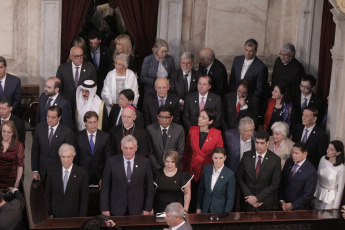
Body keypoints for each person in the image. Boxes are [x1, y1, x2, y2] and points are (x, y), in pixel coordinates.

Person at [100, 135, 154, 216]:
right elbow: (105, 187)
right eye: (125, 148)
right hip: (116, 209)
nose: (128, 151)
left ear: (136, 148)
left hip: (137, 209)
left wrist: (147, 208)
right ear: (121, 147)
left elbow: (150, 187)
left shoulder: (145, 163)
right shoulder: (111, 162)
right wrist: (104, 209)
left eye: (131, 148)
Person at [181, 108, 223, 212]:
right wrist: (183, 168)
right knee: (191, 196)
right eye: (200, 116)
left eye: (203, 118)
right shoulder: (192, 130)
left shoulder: (217, 134)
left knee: (203, 198)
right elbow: (187, 150)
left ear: (210, 121)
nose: (200, 119)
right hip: (192, 169)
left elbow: (219, 155)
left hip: (207, 170)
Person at [236, 130, 281, 211]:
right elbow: (239, 177)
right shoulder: (246, 156)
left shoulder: (275, 160)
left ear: (267, 143)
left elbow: (275, 184)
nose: (258, 146)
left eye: (262, 143)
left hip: (264, 203)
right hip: (247, 201)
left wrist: (257, 198)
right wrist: (249, 196)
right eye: (257, 142)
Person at [31, 105, 75, 183]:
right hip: (42, 171)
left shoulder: (67, 132)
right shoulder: (39, 127)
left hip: (59, 172)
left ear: (59, 118)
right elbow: (35, 150)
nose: (49, 120)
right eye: (48, 116)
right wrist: (35, 170)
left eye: (53, 117)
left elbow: (70, 155)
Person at [45, 143, 89, 217]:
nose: (66, 160)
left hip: (74, 216)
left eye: (69, 157)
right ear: (60, 156)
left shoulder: (82, 173)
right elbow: (48, 194)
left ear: (73, 156)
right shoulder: (52, 171)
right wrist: (48, 213)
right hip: (55, 215)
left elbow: (84, 199)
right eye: (63, 157)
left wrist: (82, 218)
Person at [56, 46, 97, 115]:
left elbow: (94, 88)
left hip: (84, 104)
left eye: (81, 56)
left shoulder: (90, 69)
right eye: (76, 56)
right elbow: (58, 87)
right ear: (70, 57)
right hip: (66, 104)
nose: (80, 58)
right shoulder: (62, 68)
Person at [75, 111, 111, 186]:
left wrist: (105, 176)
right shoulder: (77, 137)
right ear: (85, 123)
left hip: (100, 176)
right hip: (83, 175)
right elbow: (76, 159)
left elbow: (108, 159)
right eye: (90, 122)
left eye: (95, 122)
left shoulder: (105, 137)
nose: (93, 125)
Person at [196, 147, 236, 213]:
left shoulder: (230, 174)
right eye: (215, 158)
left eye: (221, 158)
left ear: (225, 158)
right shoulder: (206, 169)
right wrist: (198, 207)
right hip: (205, 209)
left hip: (220, 211)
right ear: (212, 157)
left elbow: (230, 198)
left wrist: (226, 213)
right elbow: (201, 190)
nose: (218, 161)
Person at [279, 142, 317, 211]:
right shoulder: (289, 162)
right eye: (293, 152)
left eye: (296, 153)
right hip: (283, 206)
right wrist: (282, 201)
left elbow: (307, 195)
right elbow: (282, 182)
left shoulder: (311, 171)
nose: (293, 155)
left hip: (299, 210)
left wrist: (293, 205)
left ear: (305, 154)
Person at [153, 149, 193, 214]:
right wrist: (150, 208)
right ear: (164, 161)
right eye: (167, 161)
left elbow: (187, 194)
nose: (170, 164)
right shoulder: (156, 174)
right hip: (159, 211)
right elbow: (151, 193)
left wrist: (185, 210)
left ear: (176, 162)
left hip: (177, 212)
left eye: (172, 162)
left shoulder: (183, 175)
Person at [147, 105, 185, 170]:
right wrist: (157, 166)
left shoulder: (179, 129)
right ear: (157, 117)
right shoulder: (150, 129)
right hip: (155, 168)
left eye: (167, 117)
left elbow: (180, 151)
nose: (164, 120)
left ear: (171, 118)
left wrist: (170, 164)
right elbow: (149, 152)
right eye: (161, 117)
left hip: (173, 167)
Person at [314, 140, 345, 210]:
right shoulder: (323, 159)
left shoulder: (341, 168)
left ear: (338, 152)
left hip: (330, 199)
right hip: (319, 194)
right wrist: (314, 194)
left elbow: (340, 189)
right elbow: (317, 177)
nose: (328, 151)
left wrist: (335, 206)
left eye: (331, 149)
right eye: (328, 148)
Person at [87, 31, 113, 95]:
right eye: (91, 43)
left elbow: (110, 68)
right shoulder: (85, 53)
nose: (93, 45)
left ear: (99, 41)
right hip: (89, 86)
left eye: (95, 43)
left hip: (104, 85)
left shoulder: (107, 52)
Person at [0, 120, 24, 189]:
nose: (6, 134)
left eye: (9, 132)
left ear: (13, 133)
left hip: (11, 181)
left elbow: (20, 166)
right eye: (4, 131)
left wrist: (17, 183)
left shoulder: (18, 145)